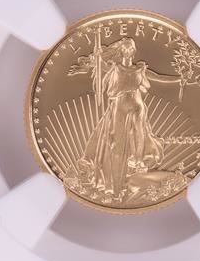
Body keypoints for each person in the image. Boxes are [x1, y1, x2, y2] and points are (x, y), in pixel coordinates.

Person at [75, 37, 183, 201]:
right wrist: (98, 54)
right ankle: (116, 184)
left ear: (133, 51)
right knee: (116, 144)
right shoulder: (115, 68)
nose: (127, 52)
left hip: (137, 107)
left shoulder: (140, 69)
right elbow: (99, 62)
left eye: (130, 49)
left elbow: (158, 77)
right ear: (121, 51)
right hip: (119, 108)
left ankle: (136, 166)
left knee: (139, 136)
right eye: (124, 49)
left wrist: (179, 79)